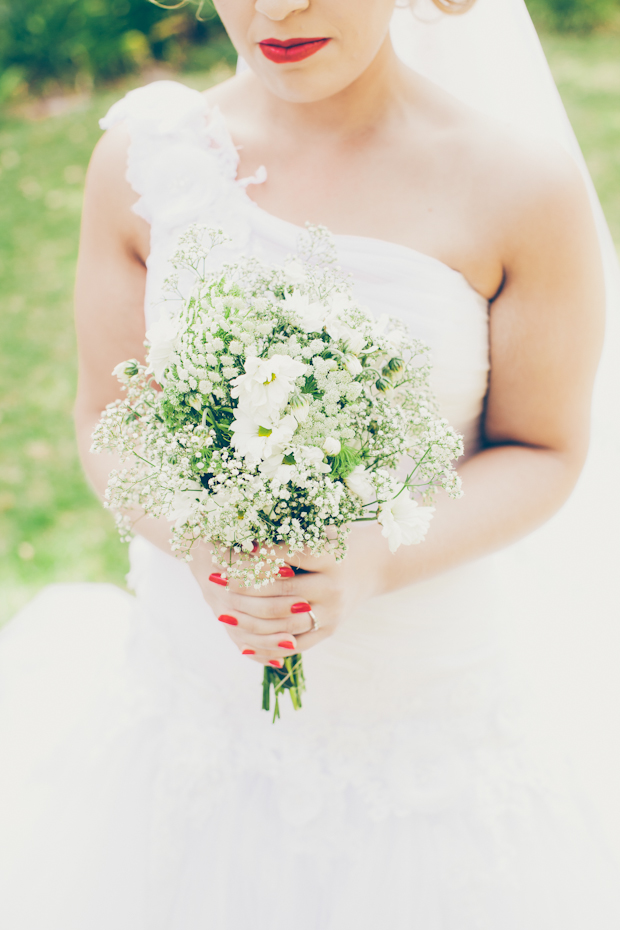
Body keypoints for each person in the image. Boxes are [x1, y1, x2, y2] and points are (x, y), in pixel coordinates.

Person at [0, 0, 619, 927]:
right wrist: (204, 544)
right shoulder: (145, 158)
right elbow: (107, 415)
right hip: (193, 709)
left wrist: (375, 556)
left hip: (424, 725)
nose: (276, 9)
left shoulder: (520, 187)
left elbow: (546, 448)